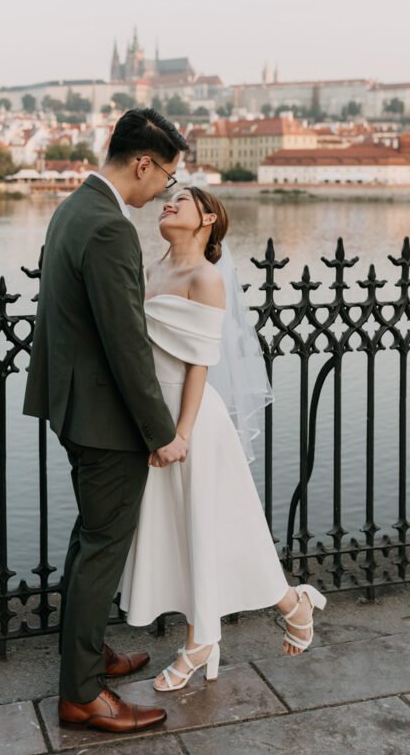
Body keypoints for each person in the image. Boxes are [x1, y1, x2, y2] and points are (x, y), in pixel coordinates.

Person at [118, 186, 327, 692]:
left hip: (191, 422)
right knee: (202, 533)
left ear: (207, 218)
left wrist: (181, 433)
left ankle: (200, 642)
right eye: (167, 199)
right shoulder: (152, 268)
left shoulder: (206, 278)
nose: (167, 204)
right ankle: (292, 605)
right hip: (153, 419)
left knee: (207, 530)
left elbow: (199, 366)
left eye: (180, 201)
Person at [23, 108, 189, 733]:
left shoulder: (75, 208)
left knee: (88, 539)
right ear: (143, 162)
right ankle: (82, 694)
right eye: (166, 177)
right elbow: (127, 344)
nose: (165, 191)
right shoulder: (110, 229)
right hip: (103, 418)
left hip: (72, 404)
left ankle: (87, 656)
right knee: (100, 551)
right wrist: (162, 432)